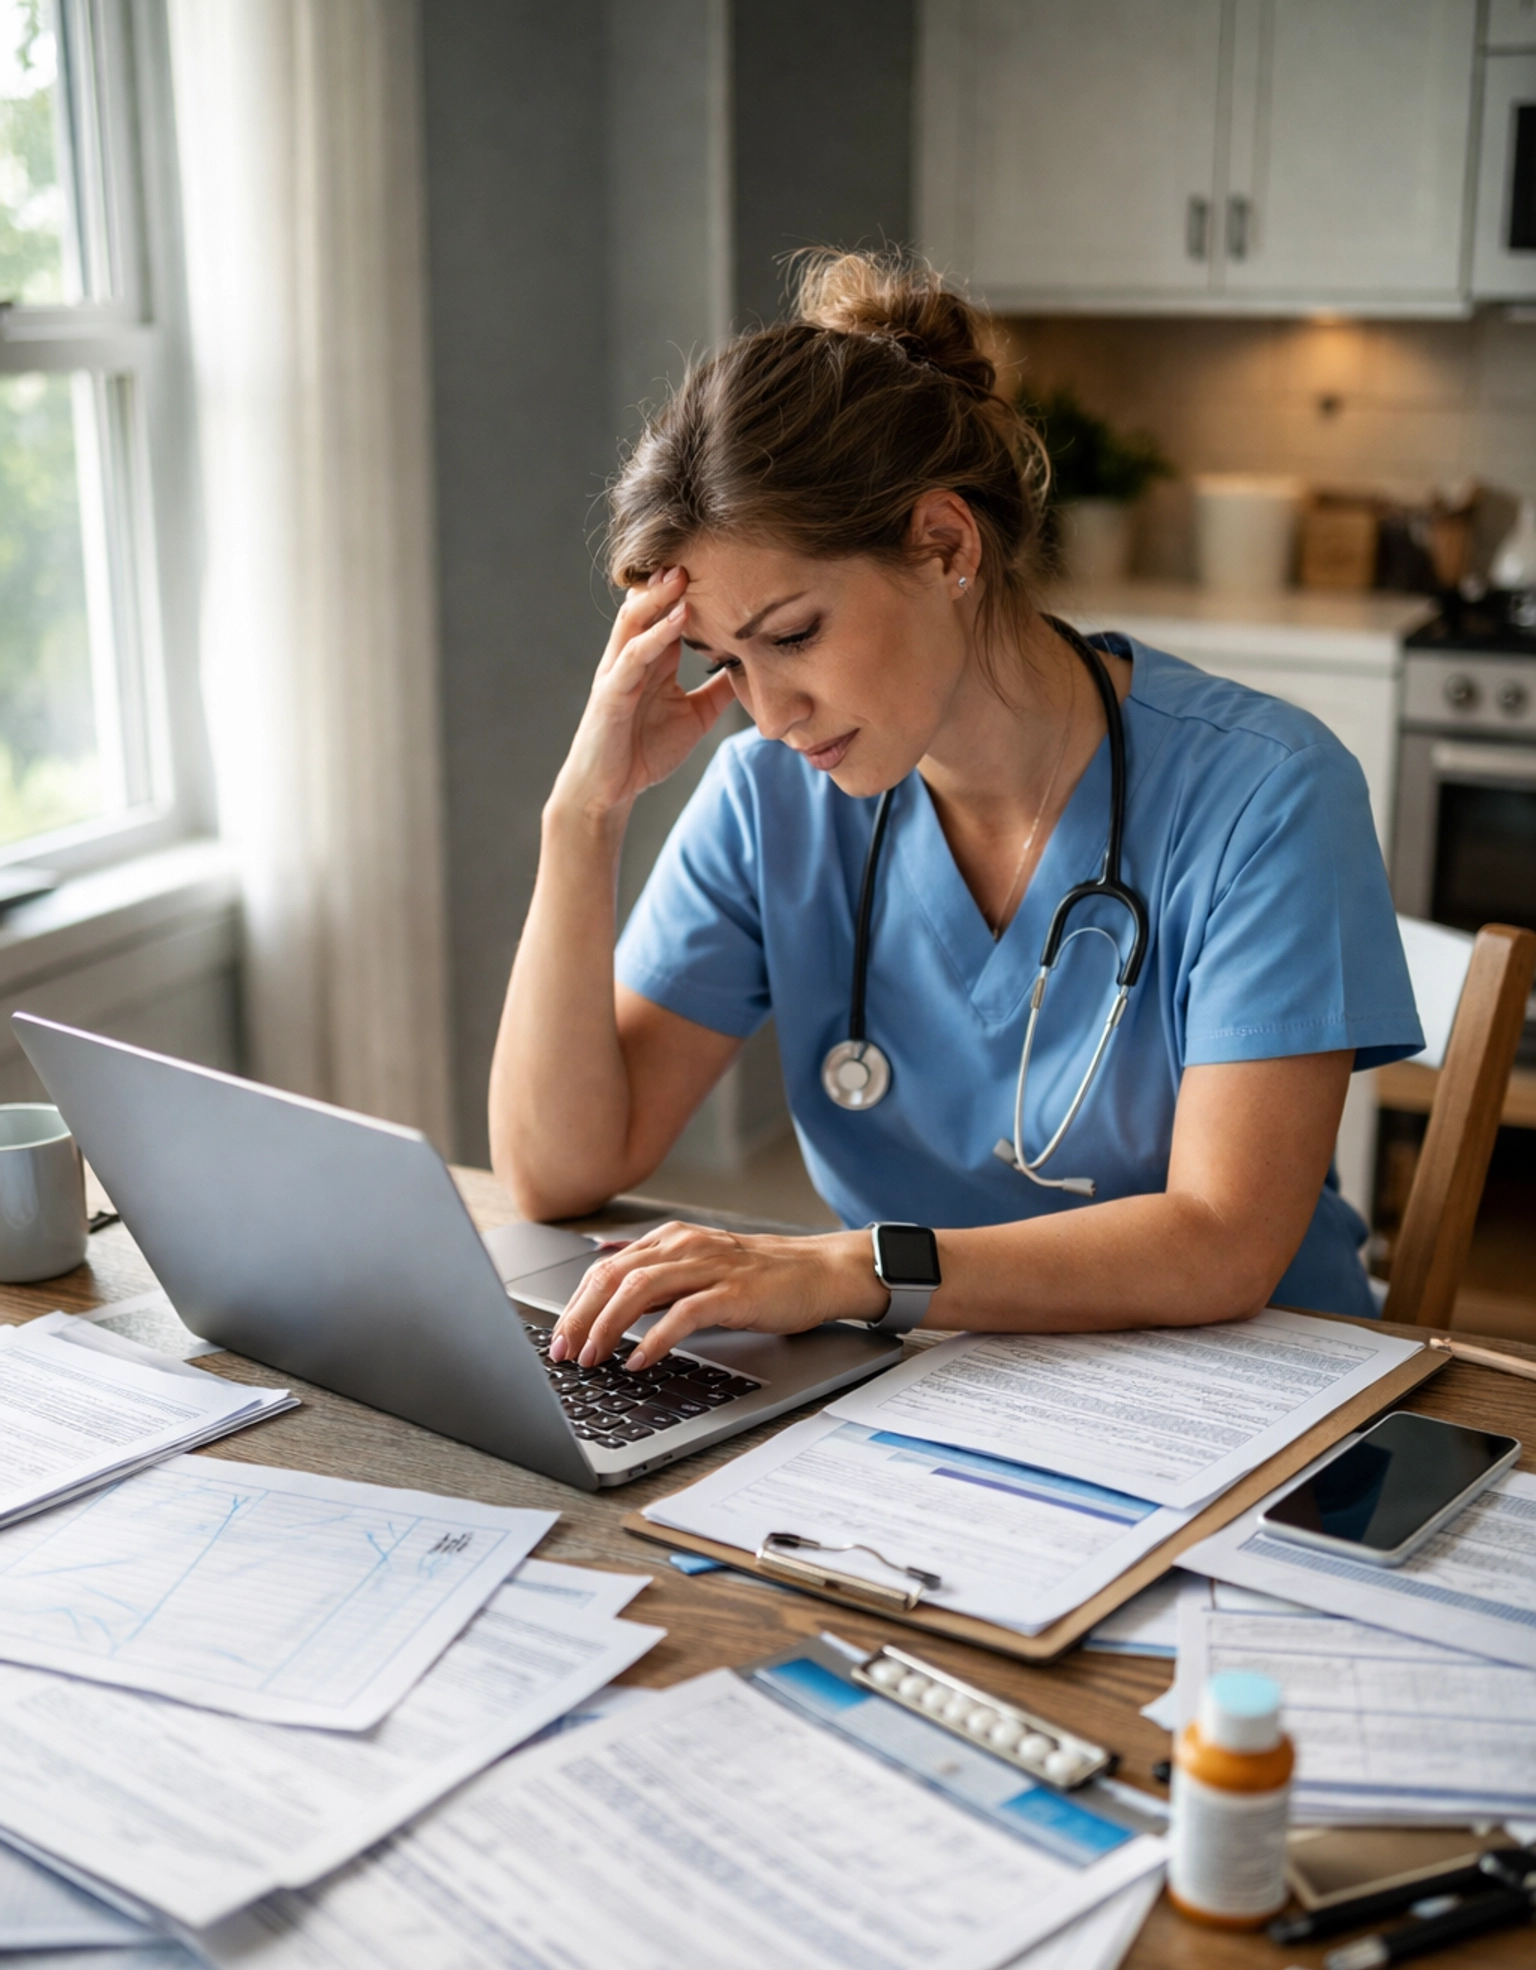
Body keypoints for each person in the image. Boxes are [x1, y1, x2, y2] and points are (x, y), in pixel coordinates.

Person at [490, 252, 1421, 1374]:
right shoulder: (768, 802)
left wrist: (852, 1270)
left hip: (1247, 1392)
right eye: (722, 658)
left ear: (946, 545)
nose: (771, 711)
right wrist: (583, 811)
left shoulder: (1267, 793)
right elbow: (558, 1171)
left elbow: (1222, 1247)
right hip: (933, 1381)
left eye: (792, 634)